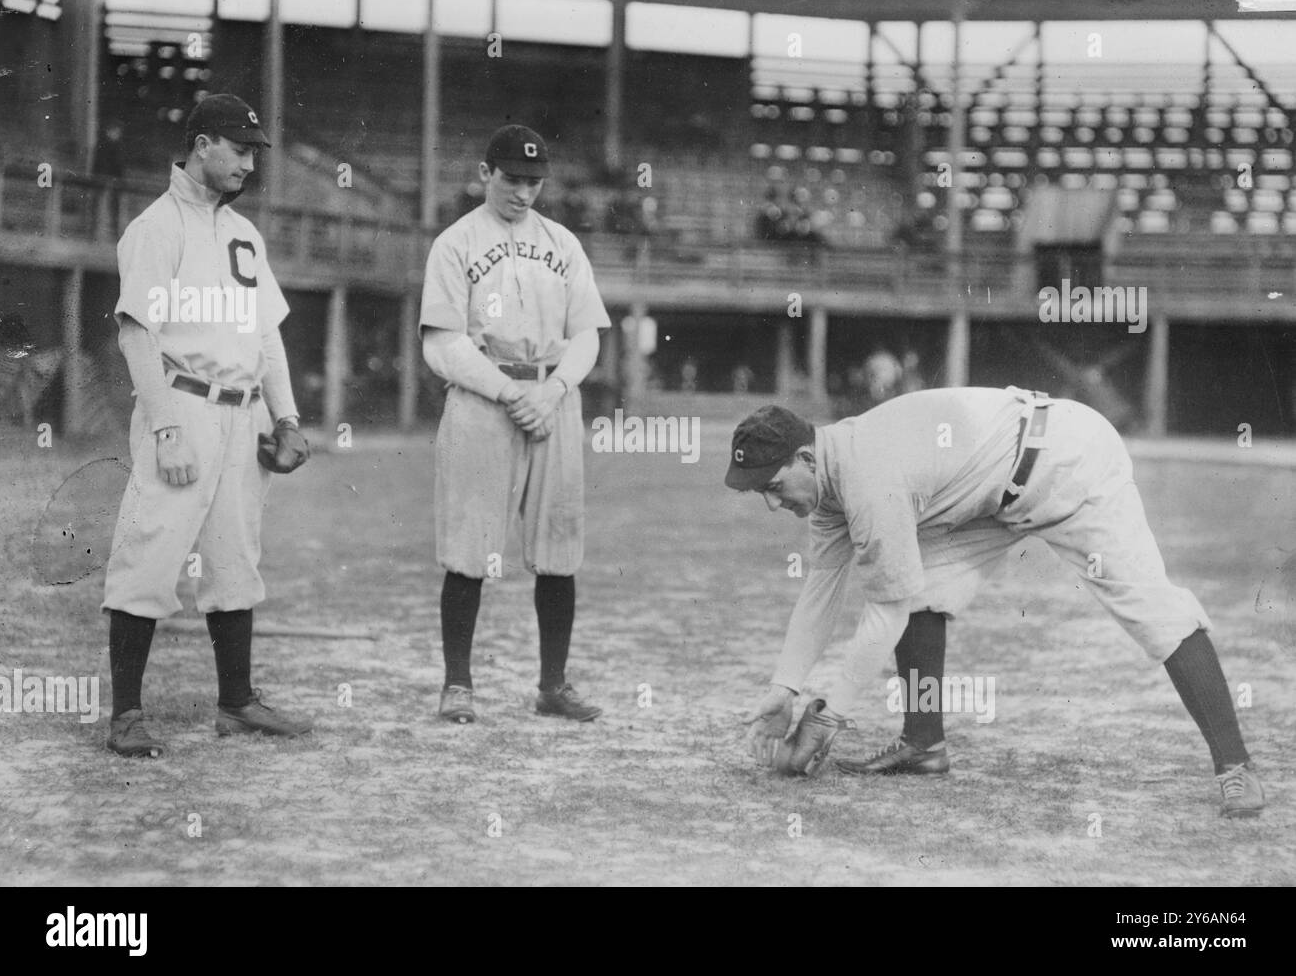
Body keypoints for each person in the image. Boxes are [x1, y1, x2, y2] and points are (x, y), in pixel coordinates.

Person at [728, 389, 1265, 818]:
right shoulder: (826, 483)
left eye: (774, 486)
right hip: (987, 493)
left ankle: (1234, 766)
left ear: (804, 456)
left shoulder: (869, 479)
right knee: (922, 585)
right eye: (761, 495)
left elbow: (884, 612)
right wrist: (785, 688)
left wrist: (828, 718)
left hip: (1065, 461)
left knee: (1151, 610)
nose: (775, 504)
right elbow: (821, 589)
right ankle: (923, 745)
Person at [102, 94, 313, 758]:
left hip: (242, 410)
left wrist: (287, 417)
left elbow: (267, 337)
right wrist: (164, 429)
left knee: (234, 558)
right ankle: (127, 714)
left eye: (254, 151)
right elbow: (137, 335)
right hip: (183, 402)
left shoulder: (244, 234)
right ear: (201, 144)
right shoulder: (154, 228)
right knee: (151, 551)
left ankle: (237, 702)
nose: (249, 161)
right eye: (240, 148)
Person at [419, 124, 610, 724]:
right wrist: (509, 391)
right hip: (483, 397)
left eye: (534, 182)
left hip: (553, 396)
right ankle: (458, 686)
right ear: (485, 174)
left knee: (559, 546)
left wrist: (552, 389)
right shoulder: (455, 243)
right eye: (512, 179)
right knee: (469, 546)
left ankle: (552, 686)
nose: (523, 192)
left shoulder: (564, 242)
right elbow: (443, 343)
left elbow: (587, 335)